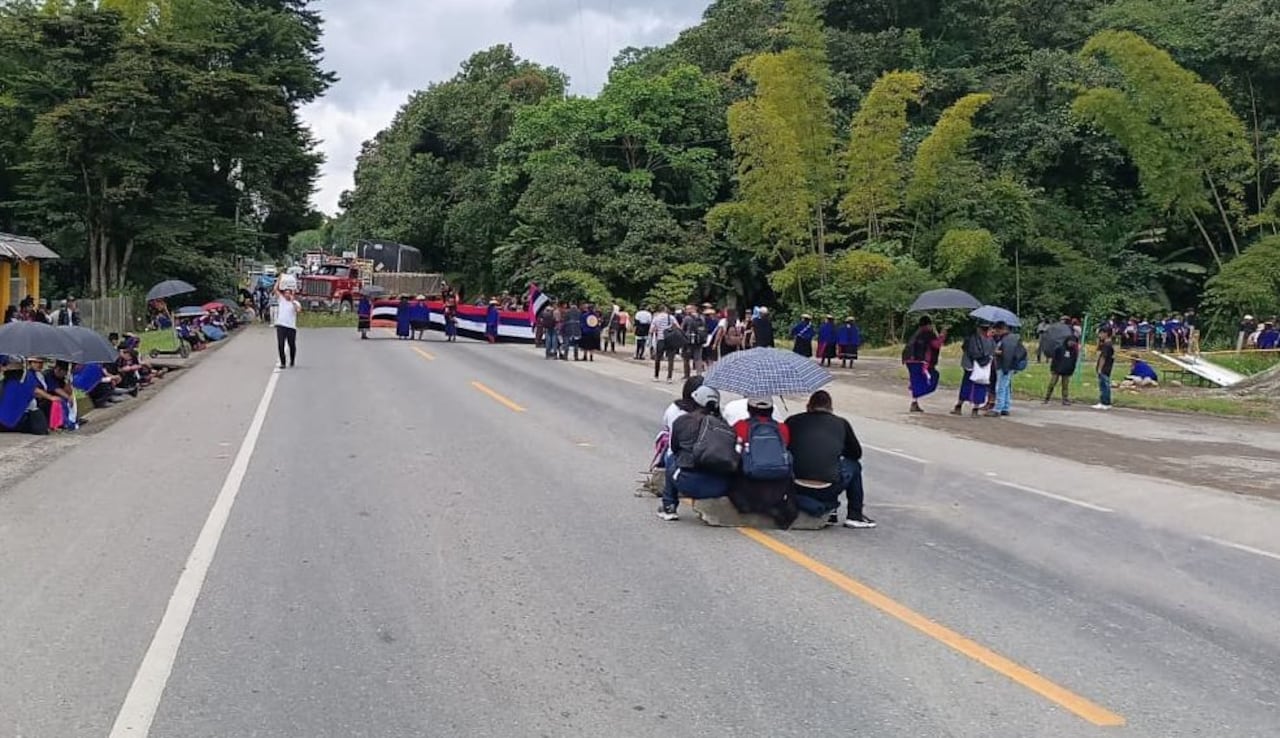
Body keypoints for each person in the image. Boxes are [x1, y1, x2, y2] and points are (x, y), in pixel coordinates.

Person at [785, 390, 875, 528]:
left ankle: (831, 511)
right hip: (827, 488)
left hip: (795, 486)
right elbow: (856, 454)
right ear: (831, 408)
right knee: (852, 466)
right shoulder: (841, 423)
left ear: (808, 406)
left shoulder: (792, 421)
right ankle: (854, 516)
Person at [658, 385, 737, 521]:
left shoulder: (682, 421)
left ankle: (669, 506)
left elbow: (674, 448)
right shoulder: (725, 426)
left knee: (671, 457)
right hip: (720, 487)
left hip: (687, 484)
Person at [729, 398, 797, 527]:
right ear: (771, 411)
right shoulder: (782, 428)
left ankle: (749, 504)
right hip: (778, 489)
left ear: (749, 410)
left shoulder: (740, 426)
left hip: (748, 487)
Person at [952, 323, 995, 417]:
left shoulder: (971, 338)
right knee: (980, 387)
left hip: (970, 365)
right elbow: (992, 353)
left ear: (979, 328)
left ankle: (959, 406)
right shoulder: (991, 341)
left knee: (966, 385)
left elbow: (964, 348)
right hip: (983, 368)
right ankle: (975, 409)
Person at [903, 316, 944, 413]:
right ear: (929, 325)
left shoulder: (916, 333)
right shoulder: (928, 333)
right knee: (933, 377)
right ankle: (917, 391)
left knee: (916, 380)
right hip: (921, 361)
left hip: (909, 360)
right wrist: (942, 335)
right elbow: (936, 345)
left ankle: (914, 402)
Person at [989, 321, 1026, 417]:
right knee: (1005, 387)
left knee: (1000, 387)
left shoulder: (1007, 340)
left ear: (1002, 329)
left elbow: (1007, 354)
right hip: (1008, 366)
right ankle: (1005, 407)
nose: (996, 332)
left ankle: (998, 409)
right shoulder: (1009, 338)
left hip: (1005, 366)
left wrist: (997, 352)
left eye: (997, 330)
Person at [1043, 334, 1079, 405]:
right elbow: (1055, 359)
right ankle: (1047, 398)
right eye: (1070, 341)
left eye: (1073, 342)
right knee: (1052, 383)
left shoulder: (1074, 351)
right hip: (1057, 369)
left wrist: (1072, 370)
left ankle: (1065, 399)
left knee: (1065, 385)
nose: (1071, 343)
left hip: (1067, 371)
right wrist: (1053, 368)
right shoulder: (1060, 348)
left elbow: (1074, 361)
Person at [274, 278, 301, 368]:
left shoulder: (295, 303)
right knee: (280, 344)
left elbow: (298, 310)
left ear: (291, 294)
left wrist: (293, 301)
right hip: (281, 325)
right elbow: (275, 290)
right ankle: (283, 362)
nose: (286, 295)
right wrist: (279, 280)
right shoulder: (281, 300)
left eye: (288, 293)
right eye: (285, 293)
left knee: (292, 345)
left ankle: (292, 360)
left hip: (291, 327)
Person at [650, 305, 681, 383]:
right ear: (665, 310)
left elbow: (651, 330)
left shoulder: (656, 318)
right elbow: (678, 327)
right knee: (671, 359)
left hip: (661, 339)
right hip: (670, 340)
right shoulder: (671, 317)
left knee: (658, 358)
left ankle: (656, 376)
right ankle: (669, 377)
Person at [1094, 327, 1115, 410]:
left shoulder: (1107, 345)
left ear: (1106, 333)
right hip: (1107, 367)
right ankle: (1104, 401)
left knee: (1104, 386)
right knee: (1103, 385)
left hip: (1105, 368)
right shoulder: (1107, 344)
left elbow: (1103, 357)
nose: (1100, 335)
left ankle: (1105, 402)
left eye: (1101, 333)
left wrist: (1099, 368)